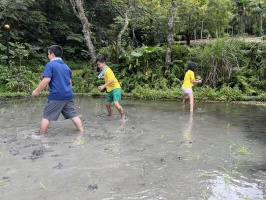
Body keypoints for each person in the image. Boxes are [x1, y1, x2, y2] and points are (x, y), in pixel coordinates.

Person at [32, 45, 84, 134]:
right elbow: (70, 82)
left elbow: (46, 79)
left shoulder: (50, 65)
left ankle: (41, 135)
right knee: (73, 114)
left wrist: (36, 91)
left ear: (51, 54)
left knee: (47, 115)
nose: (48, 55)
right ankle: (82, 131)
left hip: (56, 95)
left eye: (48, 53)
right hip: (68, 95)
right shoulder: (66, 66)